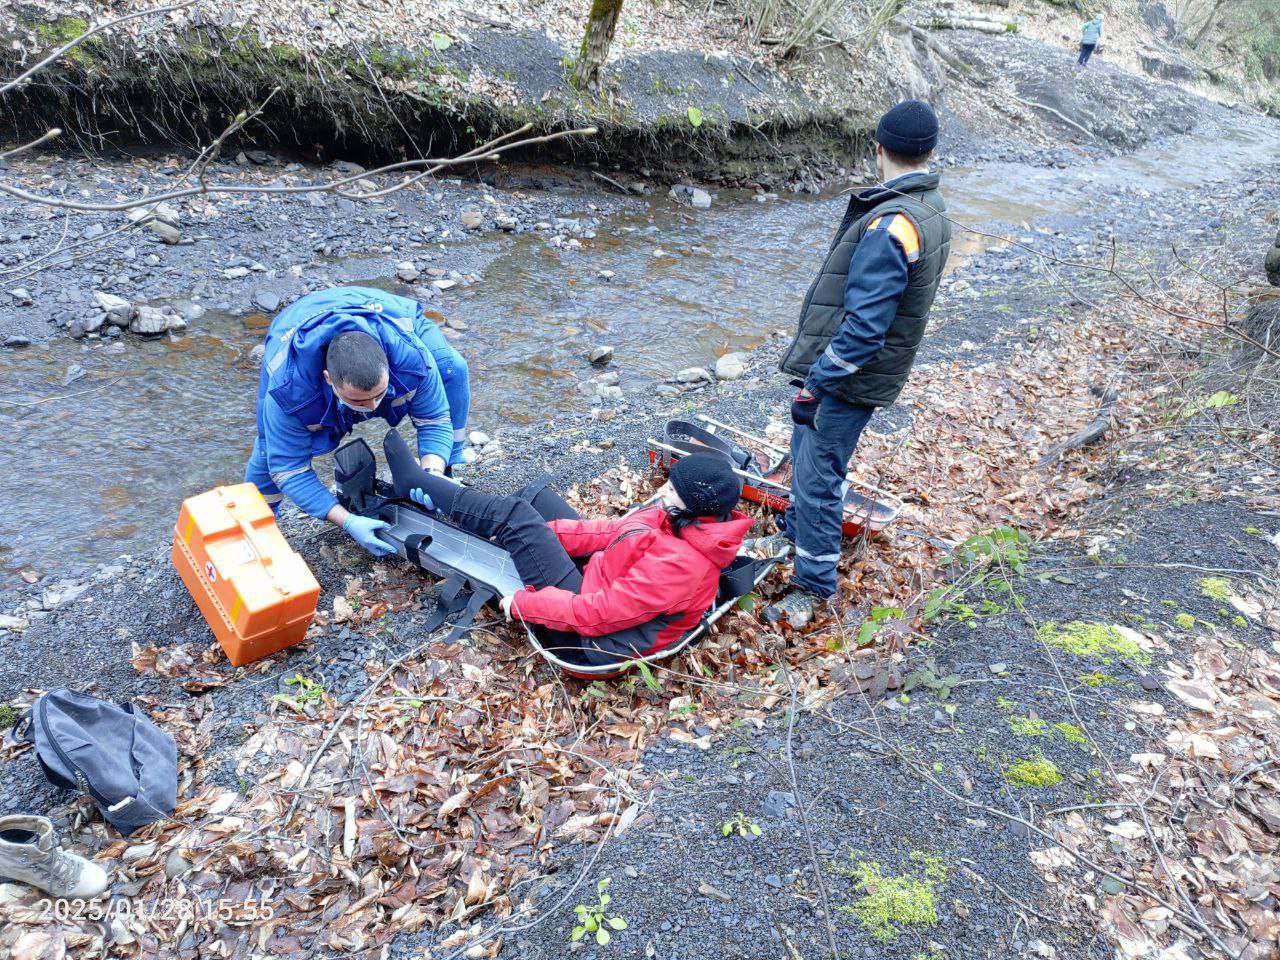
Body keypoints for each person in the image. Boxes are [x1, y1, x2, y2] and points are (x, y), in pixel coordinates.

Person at [760, 99, 951, 626]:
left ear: (878, 148)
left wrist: (817, 384)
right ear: (931, 150)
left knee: (819, 477)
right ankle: (796, 534)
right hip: (868, 374)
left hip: (847, 379)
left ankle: (812, 588)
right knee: (809, 459)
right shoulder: (930, 208)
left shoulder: (893, 224)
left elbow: (864, 328)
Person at [383, 430, 753, 666]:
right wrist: (541, 535)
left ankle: (419, 484)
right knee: (533, 504)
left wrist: (524, 604)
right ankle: (445, 500)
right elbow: (611, 532)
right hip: (599, 586)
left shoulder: (684, 566)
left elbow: (597, 615)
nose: (662, 491)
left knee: (515, 518)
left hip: (592, 642)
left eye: (672, 489)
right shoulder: (682, 519)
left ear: (692, 504)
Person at [245, 286, 470, 556]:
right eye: (361, 402)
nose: (373, 408)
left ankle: (444, 474)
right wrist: (346, 521)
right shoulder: (288, 393)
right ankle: (254, 530)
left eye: (380, 395)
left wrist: (432, 473)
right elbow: (289, 469)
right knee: (268, 449)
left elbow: (434, 419)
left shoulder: (412, 358)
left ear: (388, 365)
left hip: (382, 311)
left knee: (451, 368)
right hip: (295, 326)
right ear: (329, 380)